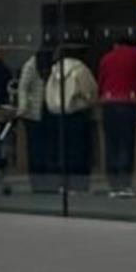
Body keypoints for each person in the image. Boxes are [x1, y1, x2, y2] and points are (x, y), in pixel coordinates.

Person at [97, 33, 136, 198]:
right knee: (126, 144)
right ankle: (125, 183)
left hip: (108, 104)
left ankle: (113, 183)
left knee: (111, 143)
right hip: (127, 103)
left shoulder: (106, 58)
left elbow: (100, 83)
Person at [45, 51, 98, 193]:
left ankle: (63, 184)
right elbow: (90, 91)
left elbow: (48, 93)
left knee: (62, 150)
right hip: (77, 114)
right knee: (79, 151)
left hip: (58, 114)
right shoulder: (80, 69)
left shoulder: (54, 70)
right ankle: (79, 185)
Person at [17, 46, 59, 192]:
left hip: (47, 111)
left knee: (45, 149)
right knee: (37, 150)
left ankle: (48, 182)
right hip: (34, 113)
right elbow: (23, 87)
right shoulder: (31, 66)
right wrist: (23, 107)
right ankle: (38, 183)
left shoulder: (52, 66)